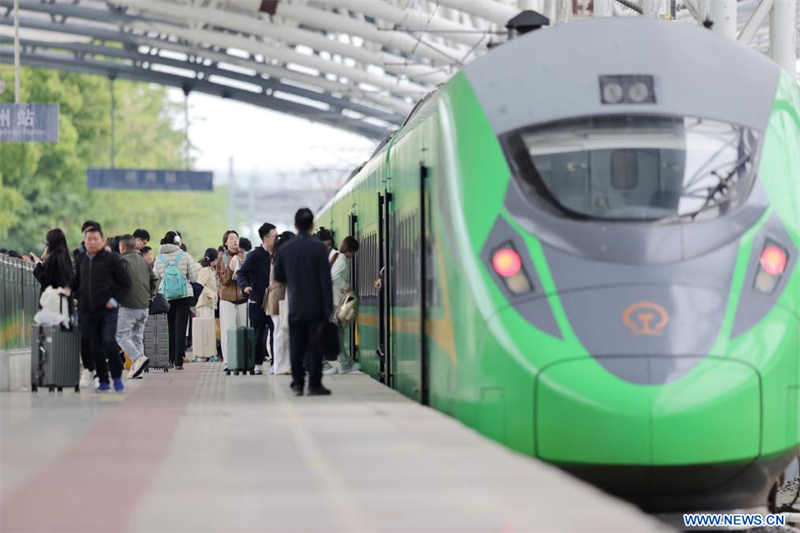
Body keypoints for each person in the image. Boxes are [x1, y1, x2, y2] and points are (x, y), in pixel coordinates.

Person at [273, 208, 334, 396]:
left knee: (296, 344)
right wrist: (328, 306)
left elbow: (279, 277)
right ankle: (315, 384)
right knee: (315, 345)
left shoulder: (285, 249)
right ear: (312, 225)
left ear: (295, 226)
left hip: (296, 304)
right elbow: (325, 279)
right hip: (316, 305)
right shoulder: (319, 248)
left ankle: (298, 383)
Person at [66, 224, 132, 393]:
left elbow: (125, 283)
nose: (92, 242)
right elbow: (77, 279)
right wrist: (67, 289)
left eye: (96, 239)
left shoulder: (111, 259)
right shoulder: (81, 259)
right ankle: (103, 380)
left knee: (109, 342)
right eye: (89, 239)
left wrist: (114, 300)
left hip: (108, 309)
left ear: (102, 241)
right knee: (95, 347)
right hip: (87, 310)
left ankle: (116, 377)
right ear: (85, 241)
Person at [153, 231, 198, 370]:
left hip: (166, 297)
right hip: (183, 296)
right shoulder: (184, 255)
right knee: (180, 329)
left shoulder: (159, 258)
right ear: (177, 241)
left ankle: (170, 359)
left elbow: (155, 278)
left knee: (170, 329)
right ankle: (179, 361)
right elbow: (194, 278)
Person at [116, 234, 158, 379]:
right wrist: (150, 295)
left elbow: (120, 283)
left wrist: (118, 299)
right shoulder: (142, 261)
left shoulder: (122, 261)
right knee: (136, 337)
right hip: (144, 305)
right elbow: (154, 279)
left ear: (122, 247)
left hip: (129, 305)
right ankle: (136, 369)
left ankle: (138, 357)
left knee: (120, 335)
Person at [237, 223, 276, 375]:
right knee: (257, 334)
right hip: (257, 301)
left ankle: (275, 362)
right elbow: (241, 273)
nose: (277, 239)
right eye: (274, 236)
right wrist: (245, 286)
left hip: (273, 301)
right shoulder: (255, 255)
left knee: (275, 331)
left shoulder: (277, 254)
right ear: (266, 239)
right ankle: (256, 363)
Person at [71, 220, 102, 389]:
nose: (90, 240)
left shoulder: (106, 255)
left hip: (102, 305)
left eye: (93, 236)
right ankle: (89, 369)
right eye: (87, 236)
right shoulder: (79, 254)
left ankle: (97, 371)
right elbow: (76, 277)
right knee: (84, 339)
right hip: (84, 303)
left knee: (98, 340)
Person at [324, 236, 361, 375]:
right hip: (334, 301)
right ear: (351, 251)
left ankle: (344, 363)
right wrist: (346, 287)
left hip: (331, 301)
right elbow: (333, 277)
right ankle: (337, 364)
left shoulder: (336, 256)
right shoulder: (342, 261)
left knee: (336, 332)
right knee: (333, 333)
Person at [216, 230, 247, 371]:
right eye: (231, 238)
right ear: (225, 242)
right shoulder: (221, 259)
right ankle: (228, 361)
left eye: (237, 238)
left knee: (243, 330)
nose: (235, 240)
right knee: (228, 330)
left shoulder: (245, 256)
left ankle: (243, 360)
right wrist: (230, 268)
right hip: (227, 299)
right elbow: (222, 280)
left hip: (242, 298)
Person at [266, 231, 293, 375]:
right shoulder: (281, 257)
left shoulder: (277, 256)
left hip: (281, 297)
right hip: (280, 298)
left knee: (283, 332)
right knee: (280, 332)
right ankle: (280, 366)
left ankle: (285, 365)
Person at [31, 228, 73, 297]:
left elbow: (45, 280)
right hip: (65, 299)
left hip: (53, 300)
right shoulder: (66, 257)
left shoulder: (53, 258)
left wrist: (38, 265)